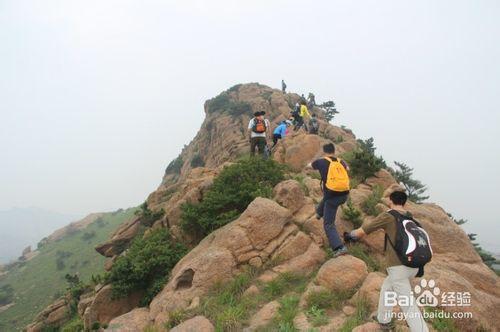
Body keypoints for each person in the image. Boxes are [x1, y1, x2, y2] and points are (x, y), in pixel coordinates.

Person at [344, 191, 429, 332]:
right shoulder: (410, 219)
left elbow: (364, 230)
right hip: (414, 265)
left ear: (390, 201)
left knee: (408, 305)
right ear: (404, 202)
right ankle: (384, 319)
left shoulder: (389, 216)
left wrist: (350, 236)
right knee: (387, 288)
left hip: (399, 266)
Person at [309, 143, 350, 257]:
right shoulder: (341, 161)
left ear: (324, 151)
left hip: (332, 196)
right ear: (334, 151)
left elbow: (310, 166)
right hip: (344, 195)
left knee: (328, 224)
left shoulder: (321, 162)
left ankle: (339, 247)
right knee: (326, 198)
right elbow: (348, 169)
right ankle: (319, 212)